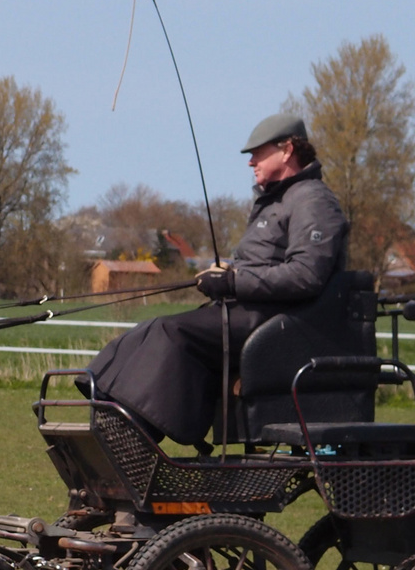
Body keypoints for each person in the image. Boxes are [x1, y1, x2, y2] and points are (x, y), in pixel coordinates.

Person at [85, 112, 348, 447]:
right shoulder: (276, 202)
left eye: (258, 152)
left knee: (171, 331)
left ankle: (134, 442)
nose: (251, 161)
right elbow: (261, 264)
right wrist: (223, 273)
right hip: (252, 313)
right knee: (148, 328)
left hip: (279, 324)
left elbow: (306, 275)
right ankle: (104, 406)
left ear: (287, 150)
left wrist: (233, 282)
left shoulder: (313, 200)